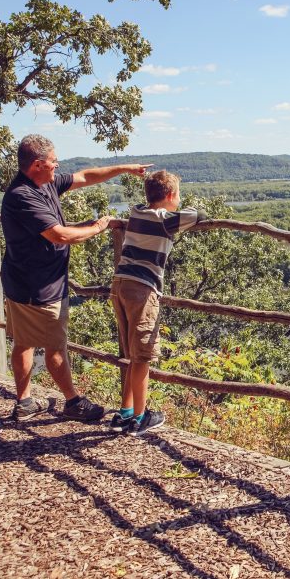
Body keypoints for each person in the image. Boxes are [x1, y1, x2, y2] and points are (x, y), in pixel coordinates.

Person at [0, 134, 151, 422]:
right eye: (54, 162)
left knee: (24, 341)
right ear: (37, 164)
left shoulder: (43, 183)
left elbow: (84, 176)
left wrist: (125, 168)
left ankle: (24, 402)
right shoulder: (23, 196)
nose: (58, 166)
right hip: (39, 286)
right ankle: (72, 402)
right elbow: (60, 235)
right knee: (54, 346)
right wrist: (98, 226)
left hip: (23, 280)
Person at [109, 170, 204, 436]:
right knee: (142, 356)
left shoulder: (136, 212)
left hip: (120, 284)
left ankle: (125, 411)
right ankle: (139, 417)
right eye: (178, 195)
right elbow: (199, 216)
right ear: (171, 195)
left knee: (131, 352)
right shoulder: (165, 220)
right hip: (143, 289)